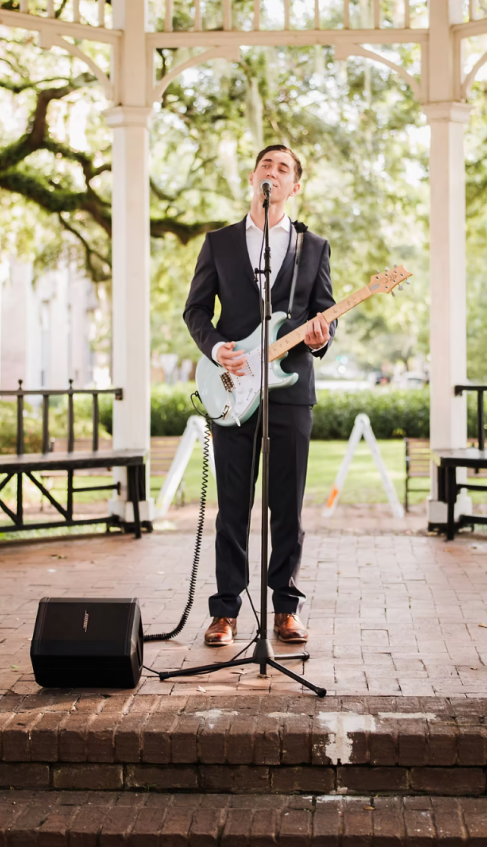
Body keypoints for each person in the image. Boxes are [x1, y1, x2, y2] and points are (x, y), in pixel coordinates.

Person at [183, 145, 336, 647]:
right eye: (266, 165)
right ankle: (225, 610)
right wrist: (216, 347)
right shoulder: (219, 242)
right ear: (253, 177)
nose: (274, 173)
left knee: (286, 506)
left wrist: (321, 337)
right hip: (231, 390)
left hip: (291, 392)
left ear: (296, 186)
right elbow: (196, 311)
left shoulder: (313, 247)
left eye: (284, 168)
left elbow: (324, 314)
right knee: (232, 505)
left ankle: (286, 608)